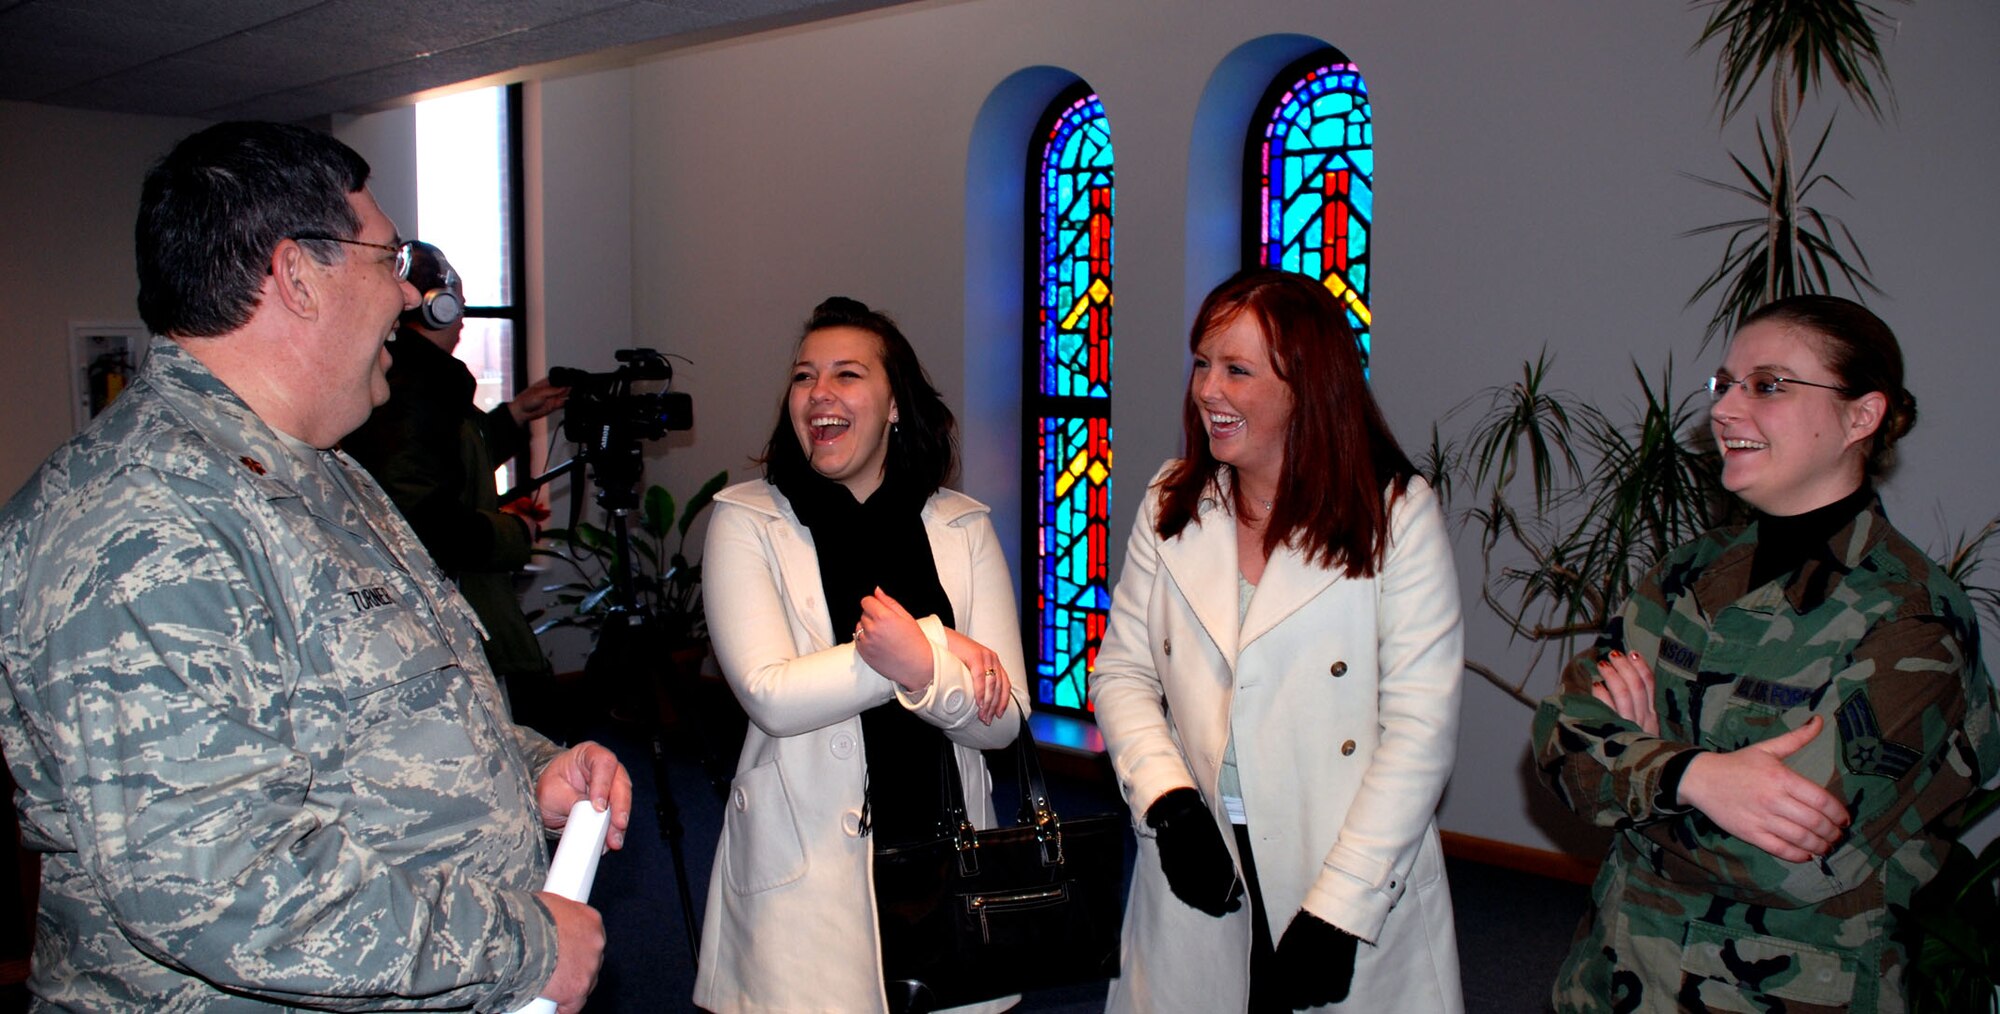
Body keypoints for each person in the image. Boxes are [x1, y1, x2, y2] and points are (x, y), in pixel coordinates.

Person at [0, 121, 633, 1012]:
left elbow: (368, 720)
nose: (412, 295)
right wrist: (521, 946)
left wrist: (526, 776)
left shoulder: (323, 471)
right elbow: (215, 881)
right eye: (389, 259)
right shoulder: (143, 520)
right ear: (297, 275)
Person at [1531, 295, 2000, 1013]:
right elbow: (1559, 743)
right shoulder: (1686, 572)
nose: (1724, 409)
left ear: (1861, 416)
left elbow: (1790, 863)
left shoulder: (1911, 620)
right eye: (1726, 384)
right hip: (1614, 974)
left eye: (1769, 385)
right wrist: (1696, 777)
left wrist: (1631, 768)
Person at [1092, 267, 1465, 1012]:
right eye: (1202, 363)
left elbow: (1418, 731)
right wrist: (1167, 803)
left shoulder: (1396, 514)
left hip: (1340, 865)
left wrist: (1343, 907)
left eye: (1237, 370)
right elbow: (1123, 675)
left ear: (1307, 385)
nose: (1207, 390)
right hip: (1201, 859)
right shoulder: (1173, 501)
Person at [693, 296, 1026, 1012]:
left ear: (896, 403)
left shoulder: (962, 527)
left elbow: (1004, 720)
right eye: (804, 376)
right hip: (804, 868)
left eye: (847, 374)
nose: (820, 394)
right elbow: (771, 695)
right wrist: (939, 648)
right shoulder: (748, 520)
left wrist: (919, 661)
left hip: (946, 850)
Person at [342, 240, 569, 725]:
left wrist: (514, 415)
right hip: (447, 620)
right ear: (437, 307)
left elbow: (447, 455)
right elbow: (422, 521)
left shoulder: (422, 384)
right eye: (456, 301)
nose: (462, 315)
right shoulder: (415, 390)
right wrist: (514, 533)